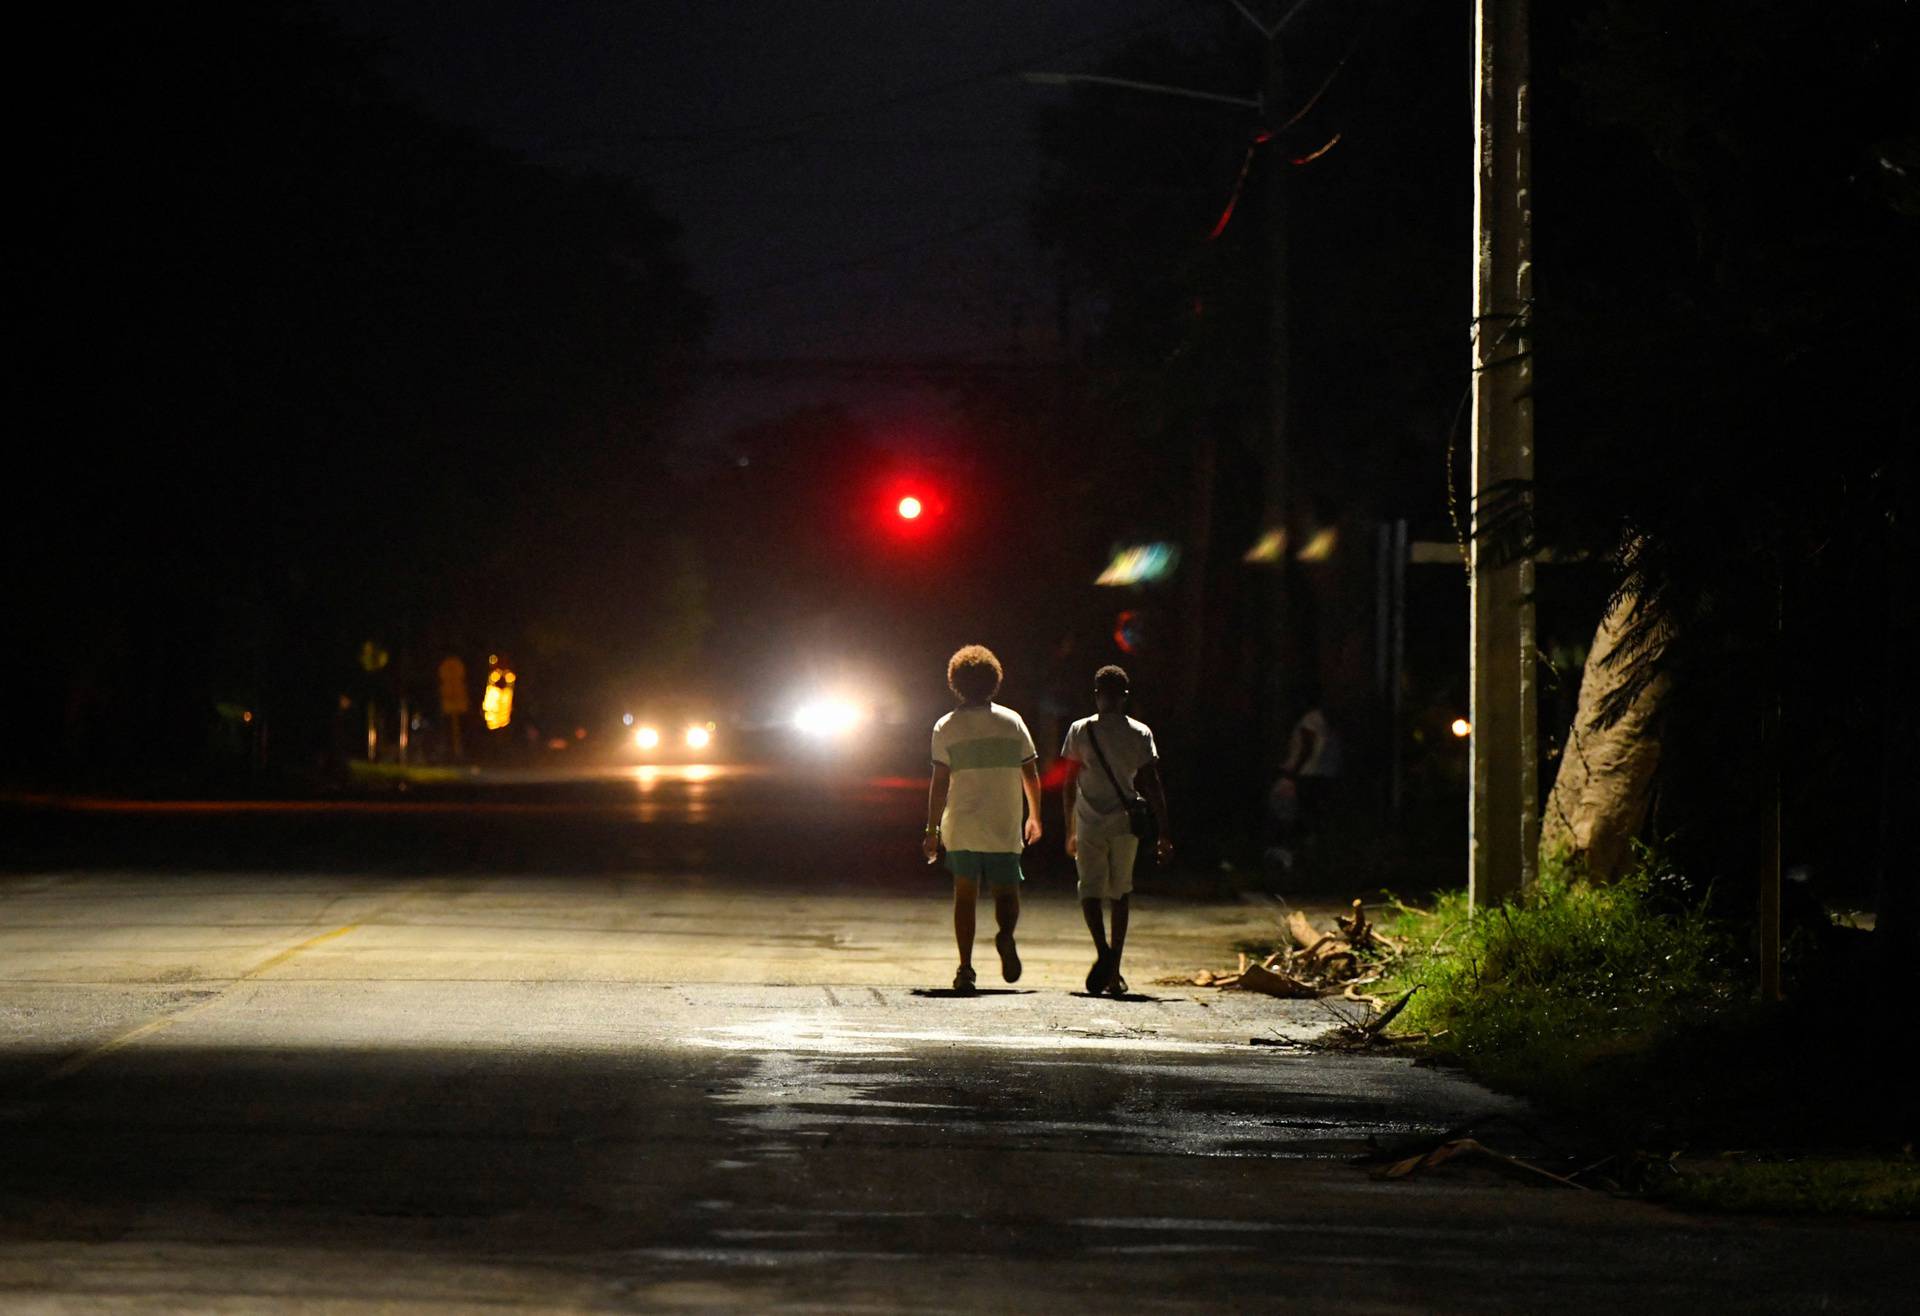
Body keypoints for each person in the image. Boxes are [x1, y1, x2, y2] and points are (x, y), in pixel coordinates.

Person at [921, 645, 1043, 994]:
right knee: (1007, 893)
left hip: (962, 824)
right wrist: (1035, 815)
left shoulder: (946, 726)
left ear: (955, 683)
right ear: (994, 681)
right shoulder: (1012, 722)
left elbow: (939, 782)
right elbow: (1030, 774)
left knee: (965, 896)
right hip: (1004, 821)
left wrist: (931, 830)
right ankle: (1005, 935)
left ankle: (965, 968)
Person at [1059, 665, 1172, 997]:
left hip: (1088, 821)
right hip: (1125, 822)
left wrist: (1069, 828)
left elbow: (1068, 784)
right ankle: (1114, 969)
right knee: (1120, 893)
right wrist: (1164, 831)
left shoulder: (1079, 730)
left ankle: (1104, 954)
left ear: (1096, 694)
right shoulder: (1140, 733)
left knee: (1089, 891)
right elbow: (1152, 785)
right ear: (1125, 696)